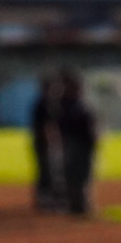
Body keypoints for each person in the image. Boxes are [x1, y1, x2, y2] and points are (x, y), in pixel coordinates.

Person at [55, 69, 99, 216]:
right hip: (77, 143)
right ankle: (79, 205)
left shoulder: (73, 104)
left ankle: (78, 204)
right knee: (78, 175)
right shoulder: (70, 104)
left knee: (78, 175)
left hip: (80, 144)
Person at [29, 74, 65, 212]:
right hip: (45, 144)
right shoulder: (45, 104)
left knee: (48, 171)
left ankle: (47, 199)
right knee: (48, 171)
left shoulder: (43, 103)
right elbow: (47, 126)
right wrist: (52, 142)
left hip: (42, 143)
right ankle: (47, 200)